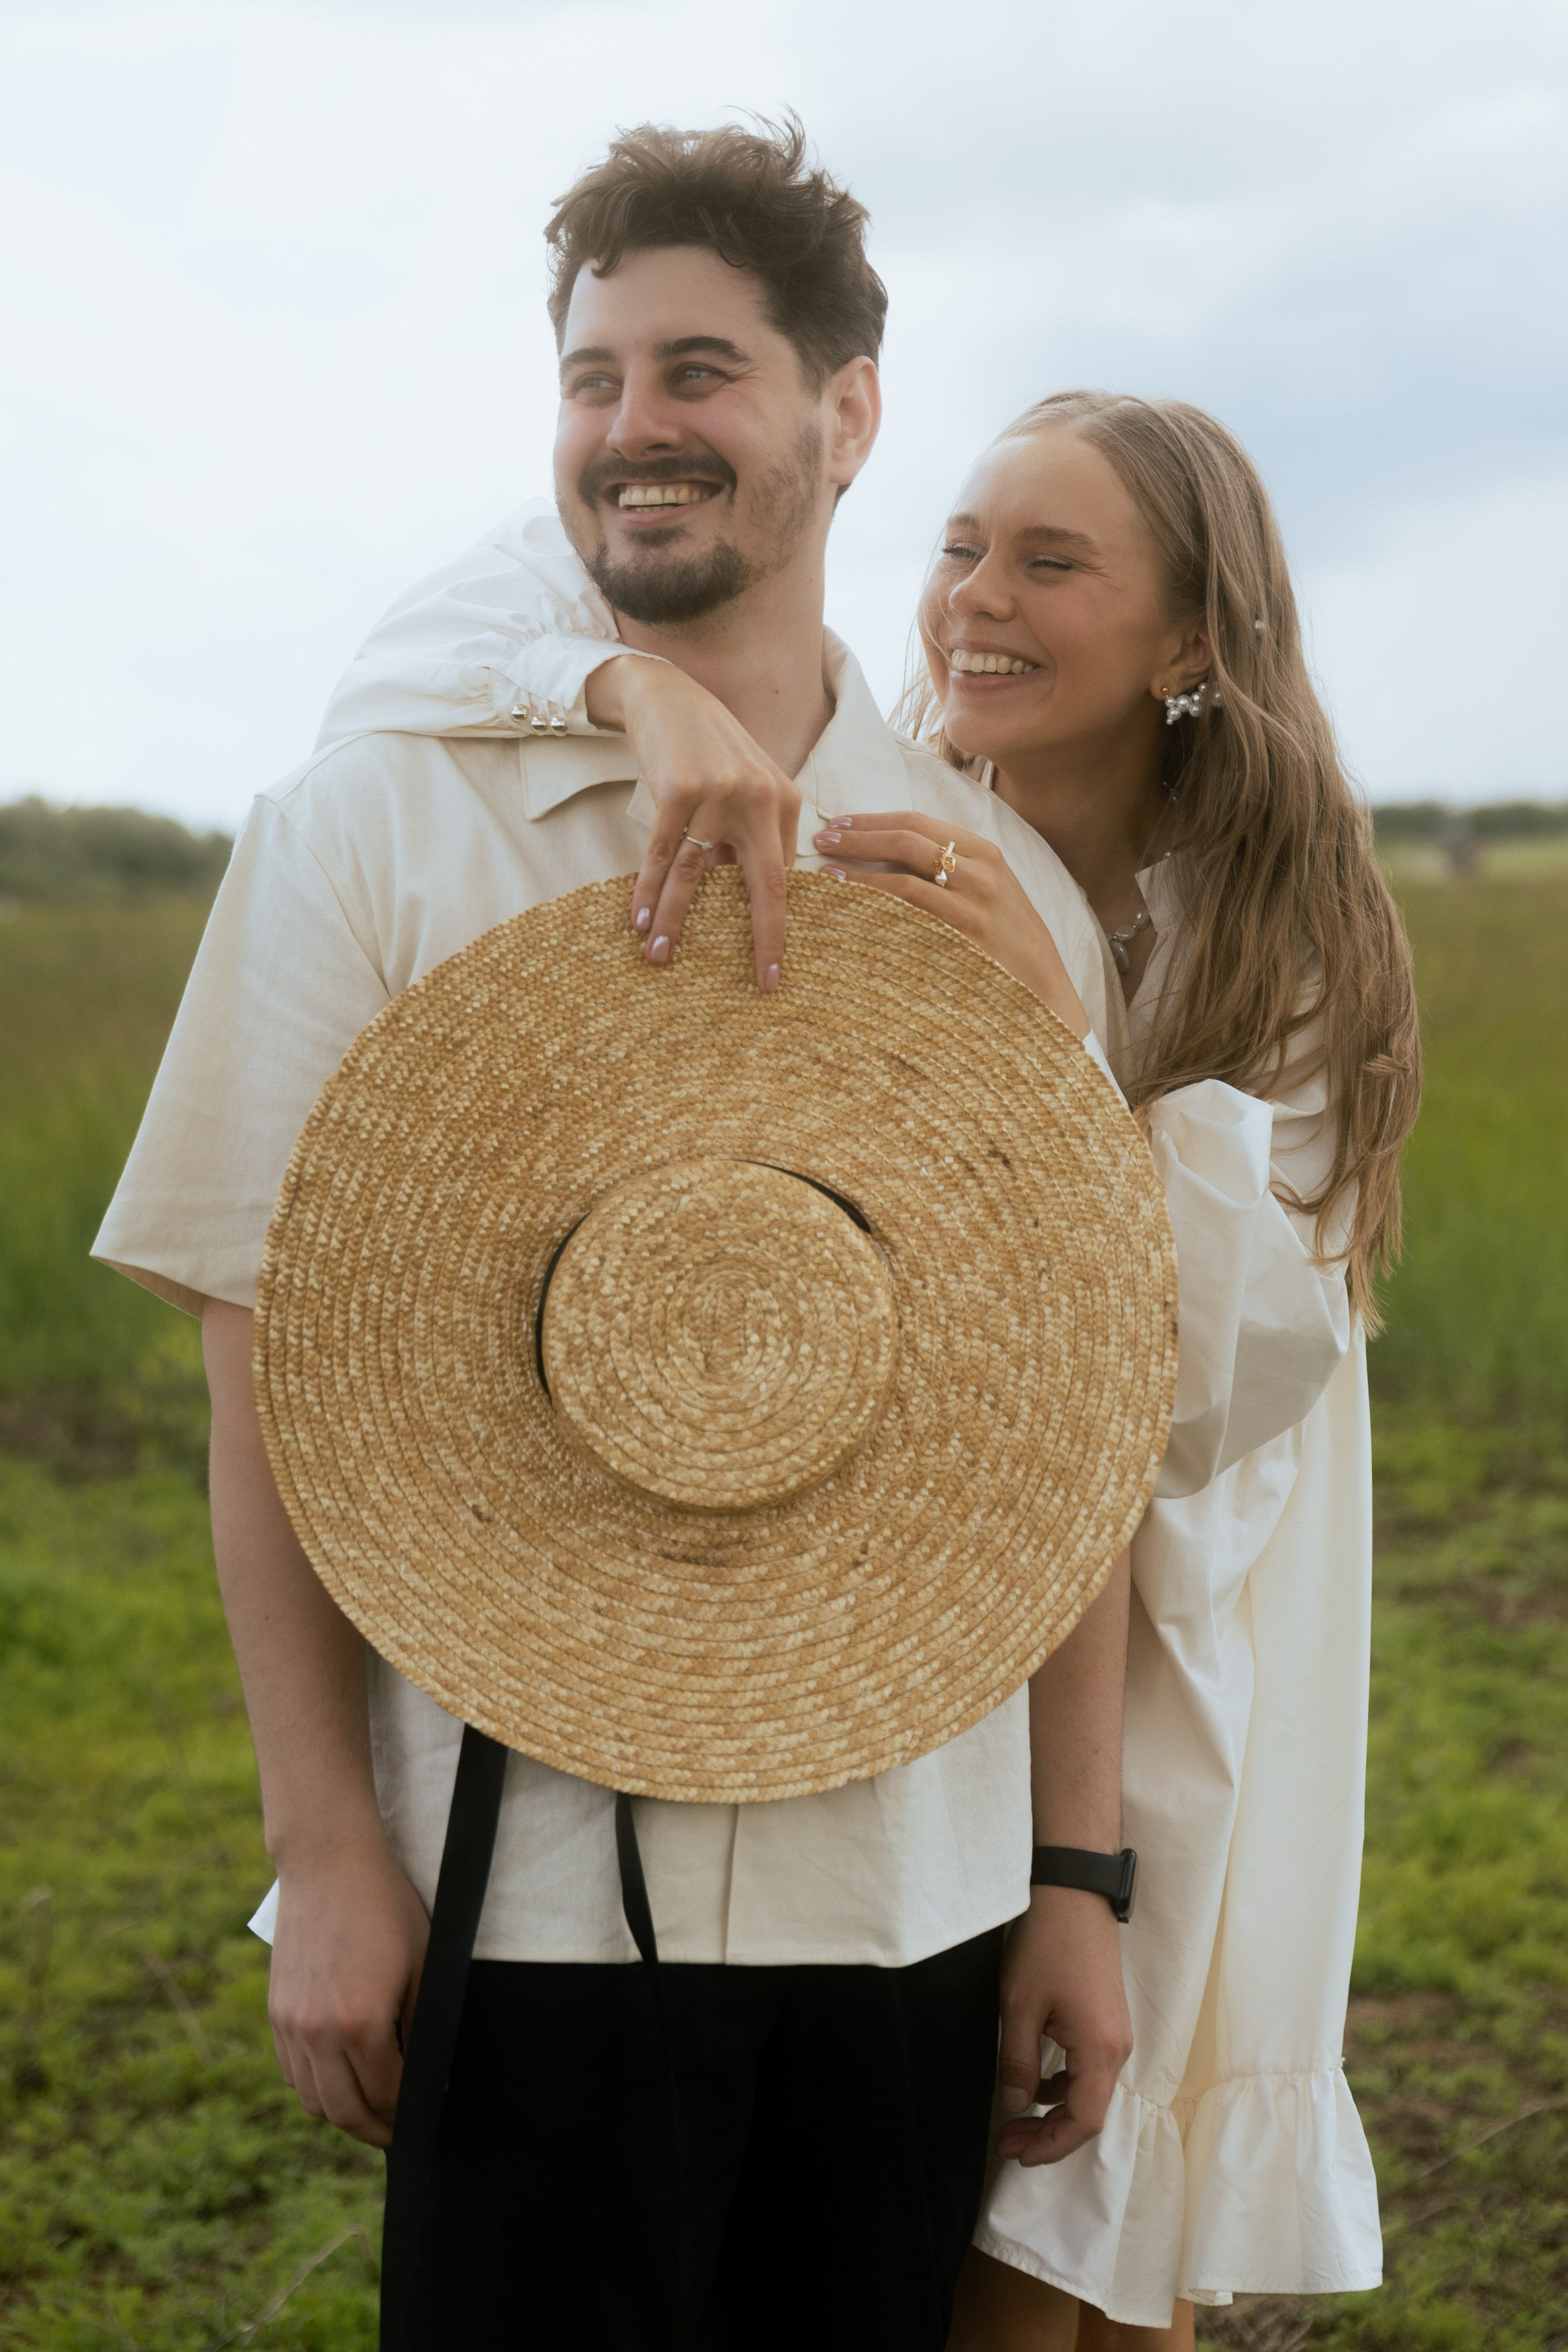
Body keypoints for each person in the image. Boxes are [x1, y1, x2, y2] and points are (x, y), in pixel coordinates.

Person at [92, 122, 1147, 2351]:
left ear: (849, 412)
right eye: (592, 379)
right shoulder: (374, 824)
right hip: (528, 1905)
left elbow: (1071, 1415)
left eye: (702, 370)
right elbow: (258, 1358)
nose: (636, 430)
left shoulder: (997, 887)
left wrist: (1071, 1877)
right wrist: (329, 1856)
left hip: (916, 1904)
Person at [325, 389, 1422, 2343]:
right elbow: (416, 645)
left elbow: (1206, 1392)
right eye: (960, 544)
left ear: (1191, 644)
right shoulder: (875, 799)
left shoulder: (1285, 933)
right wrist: (628, 688)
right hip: (902, 1607)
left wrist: (1051, 1054)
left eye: (1051, 563)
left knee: (1093, 2242)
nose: (973, 600)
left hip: (1172, 1642)